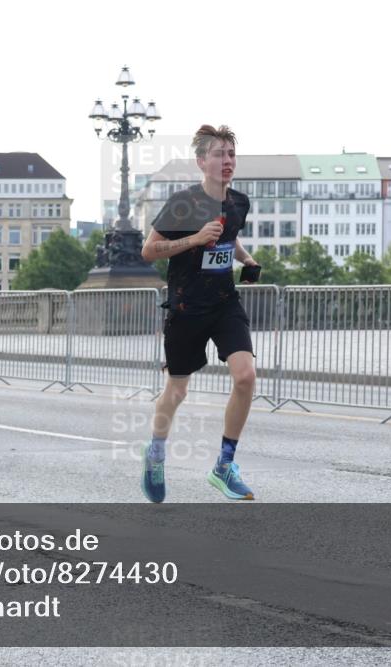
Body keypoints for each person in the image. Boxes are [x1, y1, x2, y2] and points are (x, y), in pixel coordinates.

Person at [139, 124, 260, 503]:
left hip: (224, 301)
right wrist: (193, 239)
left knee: (245, 377)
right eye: (220, 155)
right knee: (177, 390)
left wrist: (247, 258)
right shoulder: (183, 204)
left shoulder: (239, 202)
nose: (227, 162)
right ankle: (155, 453)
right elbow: (148, 251)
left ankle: (224, 465)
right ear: (201, 161)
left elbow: (230, 235)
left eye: (231, 155)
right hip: (185, 306)